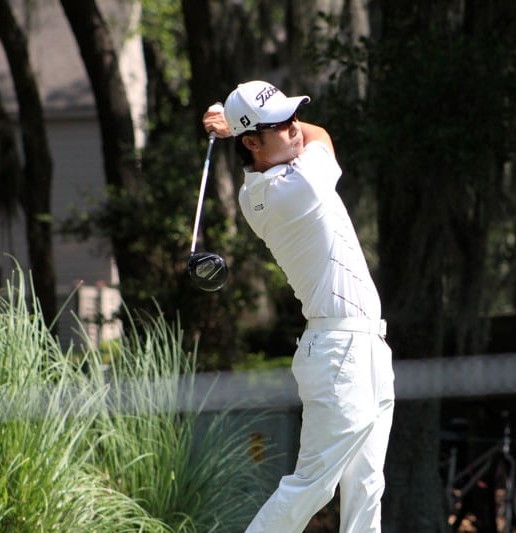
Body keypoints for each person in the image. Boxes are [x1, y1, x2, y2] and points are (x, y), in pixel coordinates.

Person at [202, 80, 395, 533]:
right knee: (313, 484)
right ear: (252, 143)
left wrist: (235, 125)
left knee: (367, 484)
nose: (293, 129)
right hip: (340, 351)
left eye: (292, 118)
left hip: (363, 344)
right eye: (280, 125)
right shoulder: (295, 186)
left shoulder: (264, 186)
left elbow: (301, 137)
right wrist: (233, 126)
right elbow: (321, 135)